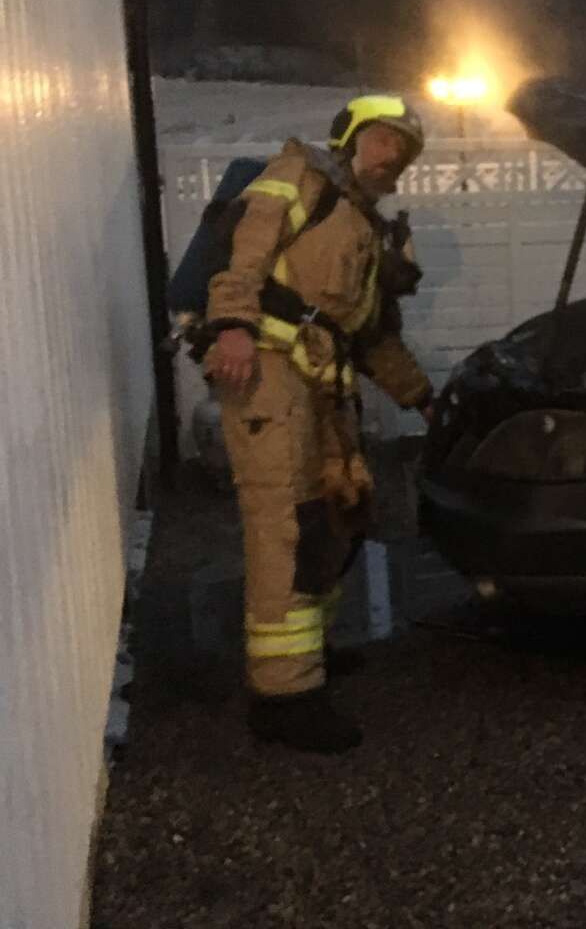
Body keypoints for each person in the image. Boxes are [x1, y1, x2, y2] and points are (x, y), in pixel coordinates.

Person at [203, 94, 434, 753]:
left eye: (403, 151)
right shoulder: (300, 176)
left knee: (338, 515)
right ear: (350, 137)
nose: (391, 157)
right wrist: (232, 325)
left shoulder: (363, 225)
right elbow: (247, 247)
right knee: (286, 525)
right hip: (268, 370)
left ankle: (309, 652)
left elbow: (368, 335)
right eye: (382, 139)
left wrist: (423, 398)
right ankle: (283, 698)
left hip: (323, 385)